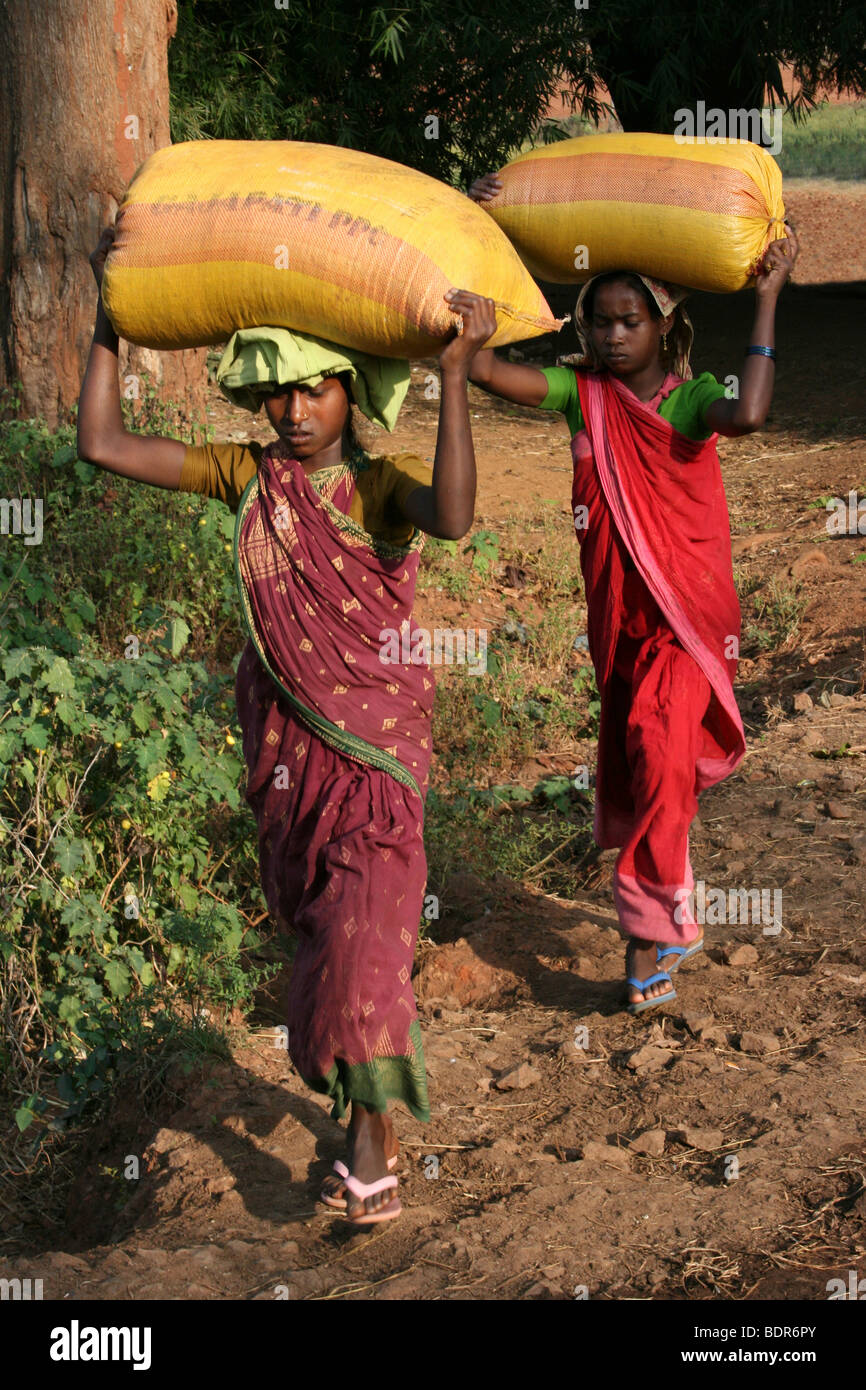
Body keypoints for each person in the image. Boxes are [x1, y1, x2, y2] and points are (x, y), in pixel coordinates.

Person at [79, 223, 497, 1221]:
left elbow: (453, 515)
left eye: (314, 387)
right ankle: (367, 1108)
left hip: (377, 760)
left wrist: (453, 376)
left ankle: (370, 1137)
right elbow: (99, 443)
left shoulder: (382, 489)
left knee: (363, 940)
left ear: (355, 389)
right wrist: (109, 312)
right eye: (276, 390)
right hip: (289, 770)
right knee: (321, 946)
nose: (293, 410)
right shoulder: (247, 478)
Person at [467, 173, 799, 1013]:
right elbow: (483, 370)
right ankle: (669, 897)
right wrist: (484, 232)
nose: (613, 337)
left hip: (688, 620)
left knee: (656, 754)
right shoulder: (583, 398)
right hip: (620, 623)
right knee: (644, 762)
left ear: (664, 325)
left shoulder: (688, 401)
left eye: (630, 321)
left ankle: (646, 934)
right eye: (598, 322)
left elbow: (751, 414)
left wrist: (767, 299)